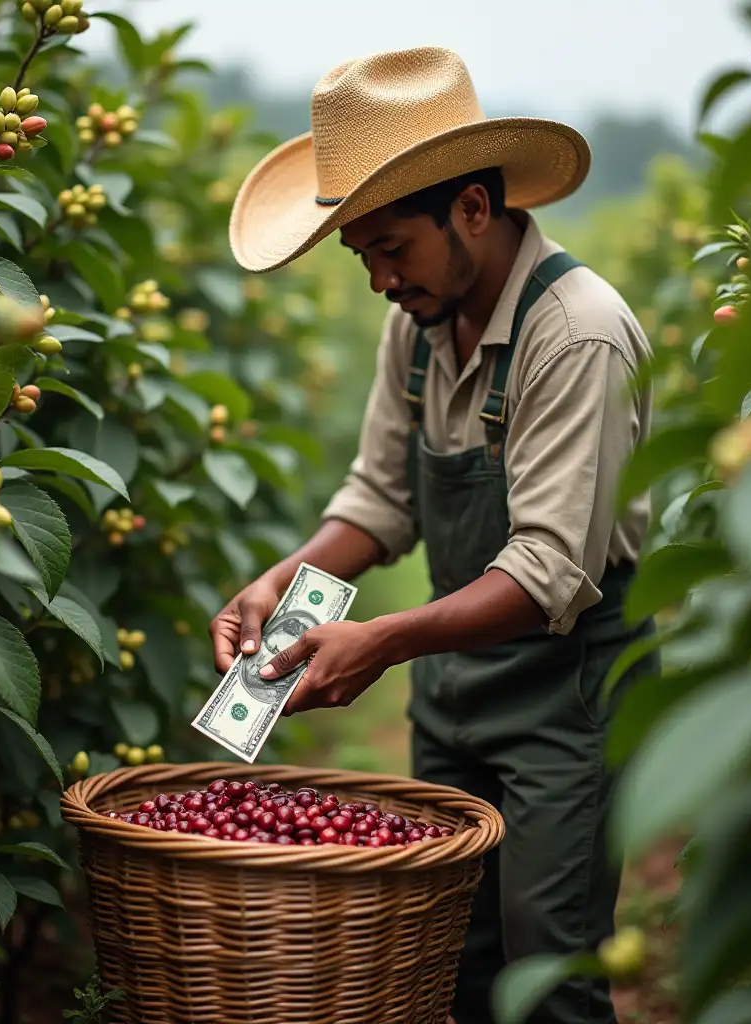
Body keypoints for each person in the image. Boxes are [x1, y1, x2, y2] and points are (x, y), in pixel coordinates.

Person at [212, 45, 659, 1024]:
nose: (377, 279)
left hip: (563, 695)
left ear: (470, 209)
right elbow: (381, 497)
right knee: (453, 960)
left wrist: (383, 639)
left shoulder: (575, 333)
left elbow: (546, 574)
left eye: (389, 247)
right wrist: (277, 583)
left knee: (549, 973)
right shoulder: (416, 320)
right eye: (360, 254)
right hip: (455, 685)